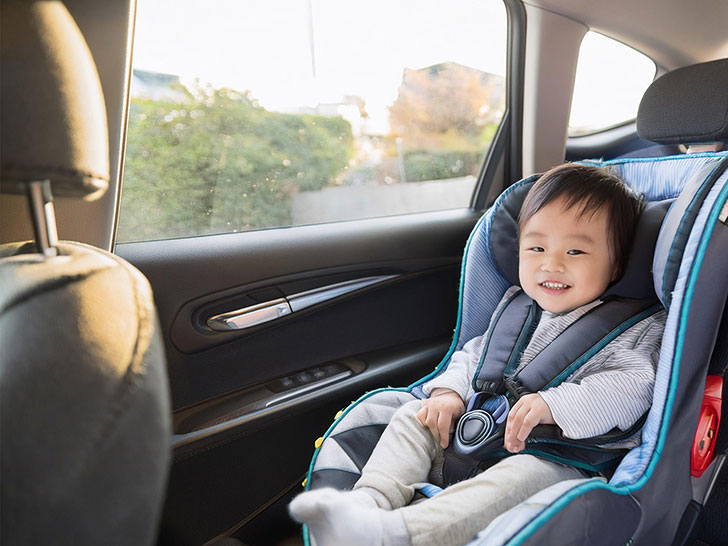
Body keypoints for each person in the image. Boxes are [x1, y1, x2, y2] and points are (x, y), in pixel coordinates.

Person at [289, 163, 667, 546]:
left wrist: (556, 405)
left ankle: (401, 534)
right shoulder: (516, 306)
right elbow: (474, 357)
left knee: (524, 477)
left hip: (558, 460)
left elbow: (633, 388)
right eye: (536, 248)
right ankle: (368, 506)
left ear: (616, 263)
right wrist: (449, 394)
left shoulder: (637, 327)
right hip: (473, 438)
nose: (552, 264)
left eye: (575, 250)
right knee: (411, 416)